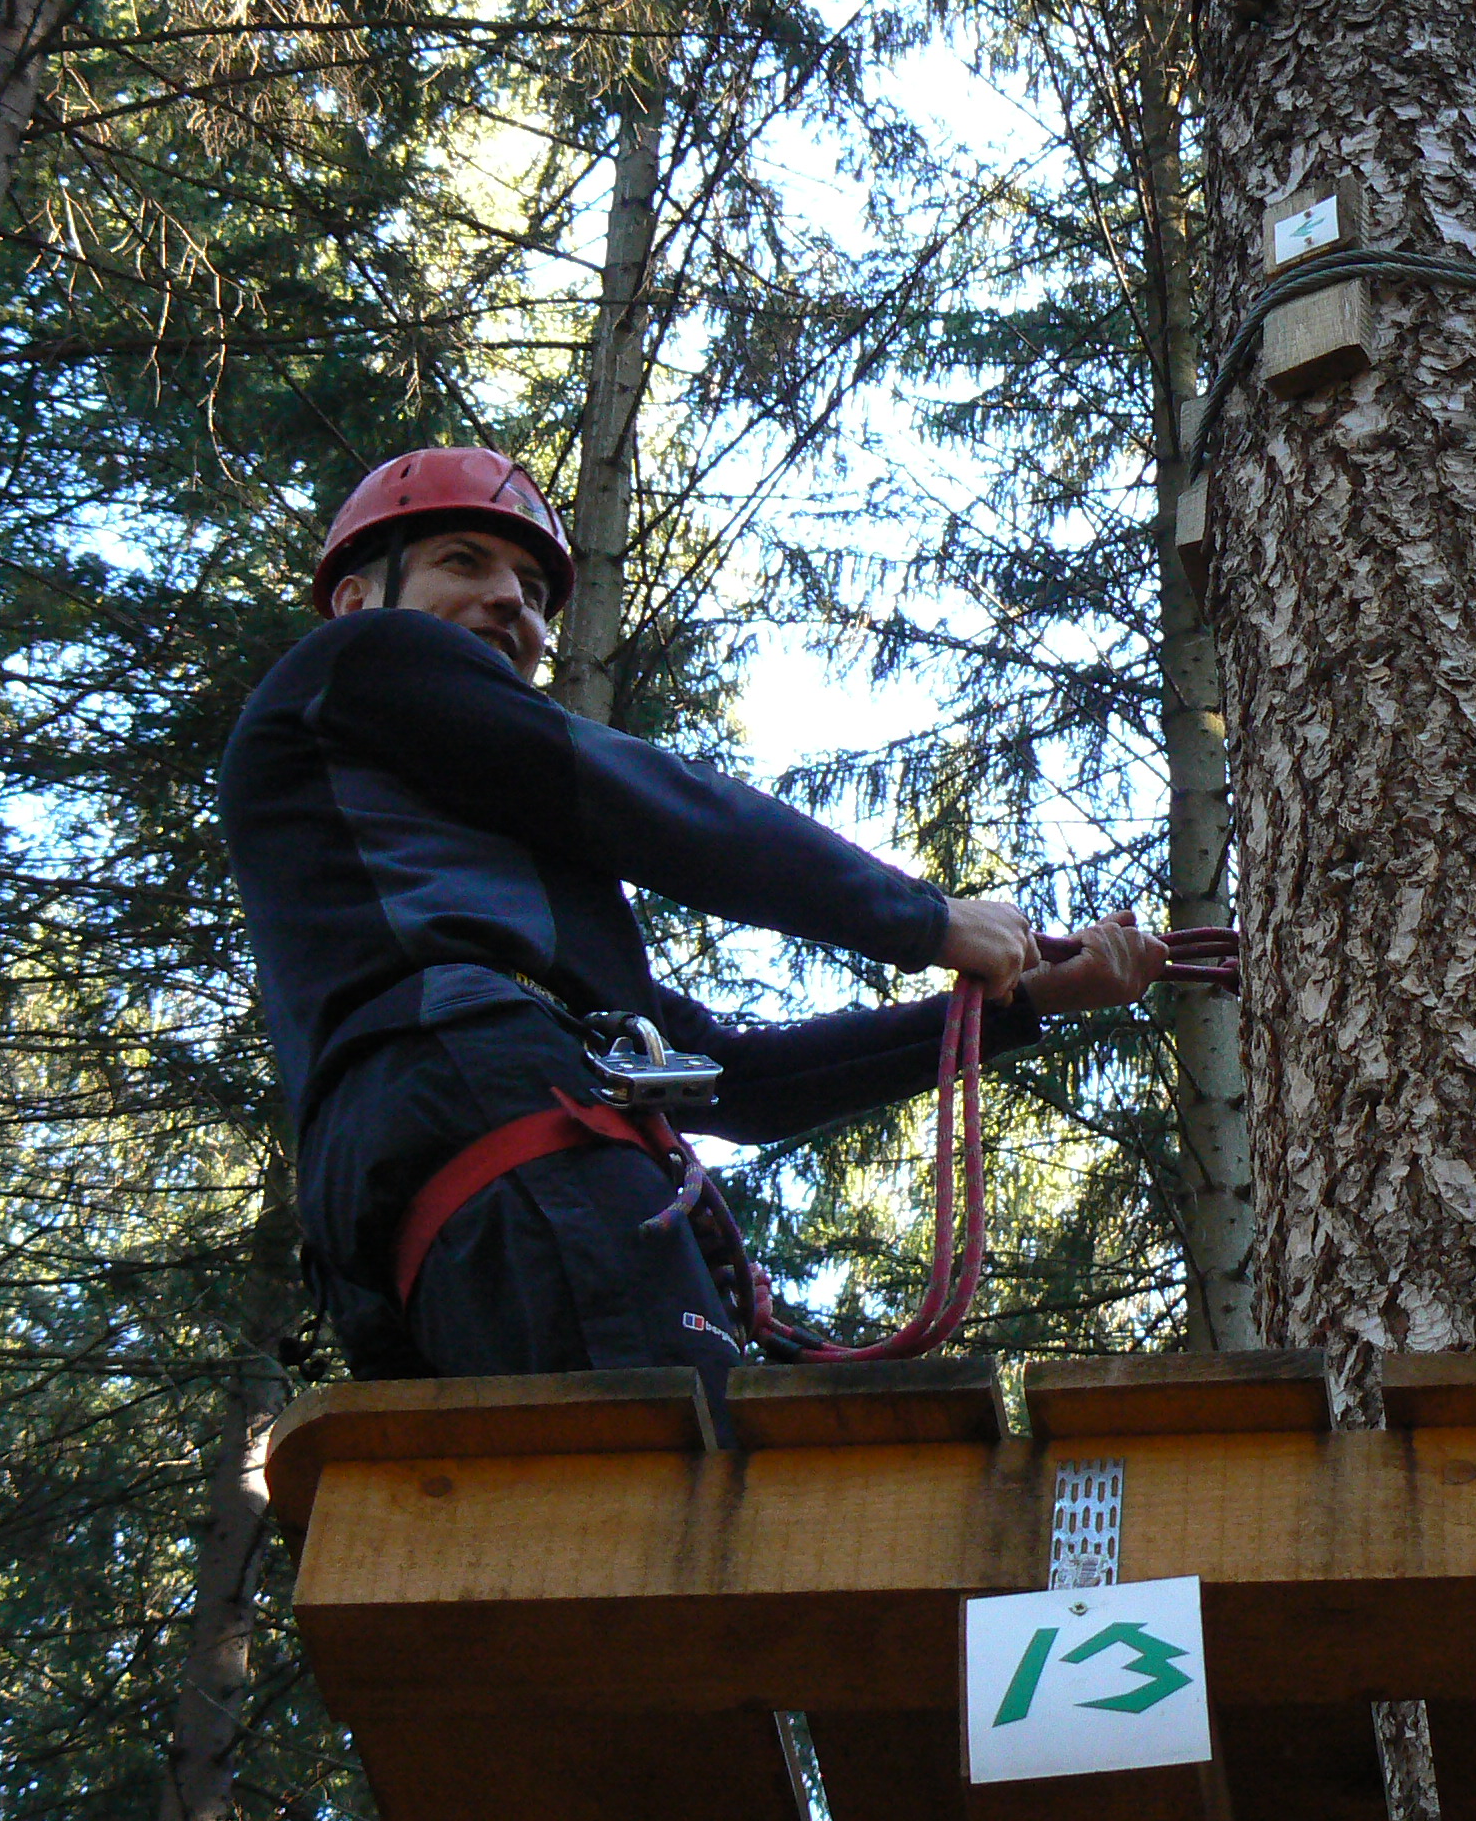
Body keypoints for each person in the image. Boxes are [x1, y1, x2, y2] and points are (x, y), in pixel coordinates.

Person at [219, 447, 1164, 1418]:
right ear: (353, 599)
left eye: (535, 589)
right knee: (662, 1489)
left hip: (439, 1180)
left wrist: (1029, 1000)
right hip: (488, 1109)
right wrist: (924, 920)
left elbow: (735, 1080)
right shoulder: (364, 660)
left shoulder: (497, 907)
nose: (512, 602)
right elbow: (645, 801)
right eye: (463, 561)